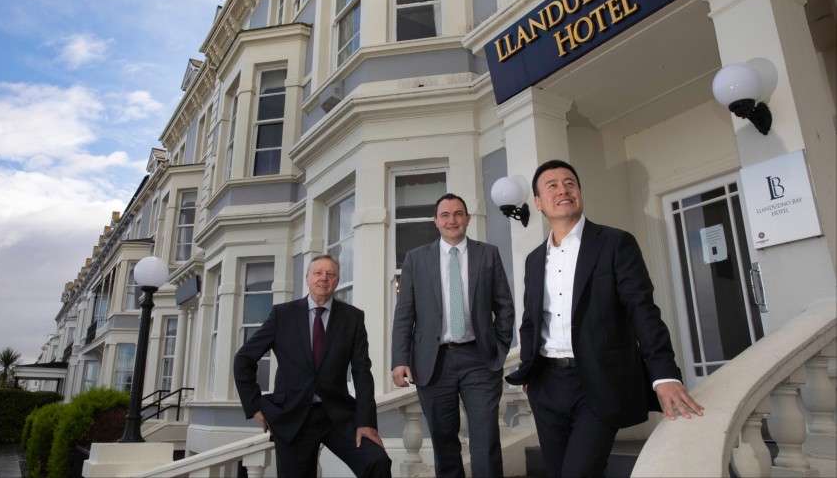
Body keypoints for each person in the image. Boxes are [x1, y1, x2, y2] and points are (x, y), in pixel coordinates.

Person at [505, 160, 704, 477]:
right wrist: (530, 375)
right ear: (538, 203)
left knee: (579, 471)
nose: (563, 190)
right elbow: (531, 320)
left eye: (570, 183)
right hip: (547, 385)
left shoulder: (615, 243)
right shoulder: (534, 260)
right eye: (552, 186)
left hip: (598, 381)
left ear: (579, 193)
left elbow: (642, 310)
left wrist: (664, 374)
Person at [234, 254, 392, 478]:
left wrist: (367, 422)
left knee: (376, 461)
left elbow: (362, 373)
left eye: (330, 274)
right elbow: (243, 359)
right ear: (308, 278)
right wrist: (253, 405)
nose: (323, 278)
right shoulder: (282, 315)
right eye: (318, 273)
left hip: (337, 415)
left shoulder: (352, 317)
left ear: (337, 281)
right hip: (293, 416)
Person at [391, 193, 515, 478]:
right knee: (444, 441)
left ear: (467, 219)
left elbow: (504, 307)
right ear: (435, 221)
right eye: (445, 215)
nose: (452, 220)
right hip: (433, 362)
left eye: (458, 214)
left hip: (479, 359)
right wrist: (399, 359)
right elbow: (404, 314)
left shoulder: (488, 254)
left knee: (486, 437)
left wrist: (499, 347)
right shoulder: (416, 259)